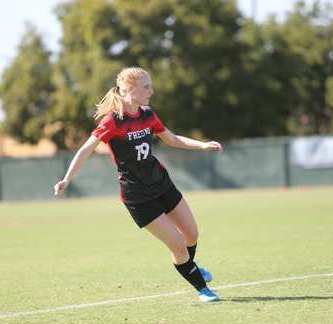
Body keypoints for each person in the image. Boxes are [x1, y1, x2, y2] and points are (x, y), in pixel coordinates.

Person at [54, 67, 223, 302]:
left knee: (191, 233)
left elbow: (172, 139)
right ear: (128, 90)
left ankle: (190, 266)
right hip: (138, 196)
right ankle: (202, 287)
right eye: (146, 87)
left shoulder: (148, 115)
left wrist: (202, 145)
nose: (151, 91)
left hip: (162, 183)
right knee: (177, 245)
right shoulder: (112, 121)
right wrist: (67, 178)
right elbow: (86, 149)